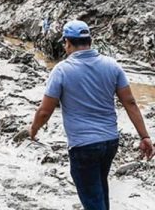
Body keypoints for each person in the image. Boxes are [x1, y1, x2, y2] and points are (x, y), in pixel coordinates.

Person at [30, 20, 154, 210]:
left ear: (67, 43)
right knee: (99, 191)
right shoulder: (112, 66)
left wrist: (33, 129)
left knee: (93, 200)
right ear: (90, 41)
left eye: (65, 44)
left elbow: (45, 110)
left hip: (83, 146)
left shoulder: (61, 70)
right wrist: (144, 136)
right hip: (110, 143)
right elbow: (129, 102)